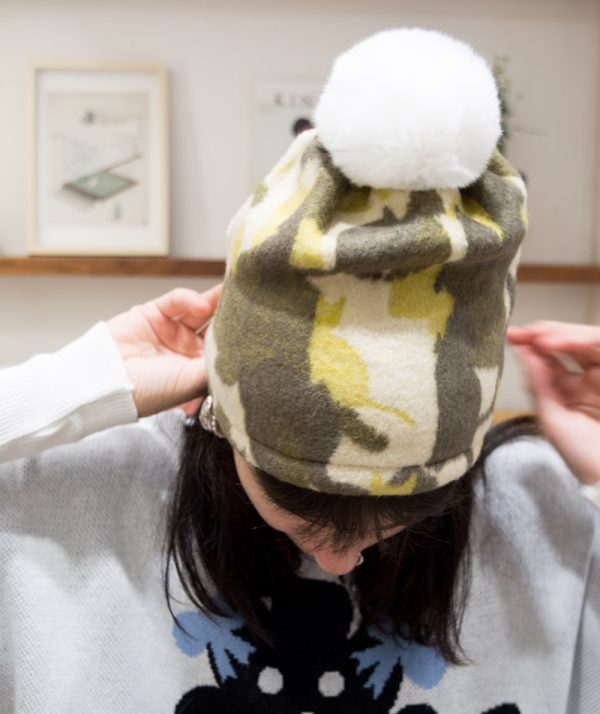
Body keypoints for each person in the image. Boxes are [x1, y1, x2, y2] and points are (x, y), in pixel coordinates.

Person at [0, 28, 598, 714]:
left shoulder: (543, 513)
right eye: (303, 506)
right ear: (220, 409)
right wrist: (87, 378)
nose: (340, 562)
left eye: (396, 514)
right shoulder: (75, 492)